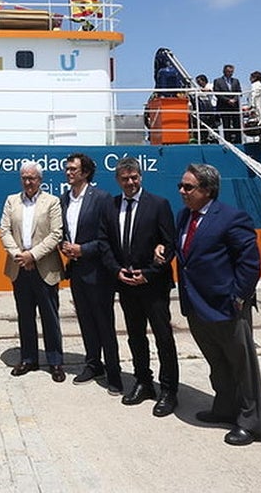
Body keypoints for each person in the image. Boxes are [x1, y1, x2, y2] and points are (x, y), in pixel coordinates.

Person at [173, 163, 261, 446]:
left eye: (188, 187)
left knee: (242, 367)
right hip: (196, 304)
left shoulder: (231, 218)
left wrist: (238, 297)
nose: (182, 191)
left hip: (226, 306)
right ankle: (225, 407)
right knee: (217, 363)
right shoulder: (184, 217)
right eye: (182, 185)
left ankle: (251, 423)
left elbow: (250, 264)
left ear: (208, 190)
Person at [103, 158, 179, 416]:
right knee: (135, 336)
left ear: (141, 177)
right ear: (118, 180)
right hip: (126, 285)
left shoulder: (159, 205)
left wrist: (148, 273)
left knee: (163, 338)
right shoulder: (111, 206)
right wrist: (116, 271)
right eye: (125, 178)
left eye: (134, 177)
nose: (130, 182)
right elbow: (105, 243)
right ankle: (143, 382)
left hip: (153, 285)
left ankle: (169, 390)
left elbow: (170, 245)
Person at [58, 152, 121, 394]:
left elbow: (109, 239)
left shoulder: (102, 199)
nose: (68, 172)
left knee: (104, 323)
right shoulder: (64, 199)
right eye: (67, 167)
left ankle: (114, 375)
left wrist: (83, 249)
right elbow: (64, 231)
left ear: (85, 173)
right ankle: (93, 364)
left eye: (73, 168)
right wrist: (65, 246)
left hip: (98, 272)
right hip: (76, 271)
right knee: (85, 321)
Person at [0, 161, 65, 383]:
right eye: (25, 178)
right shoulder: (11, 201)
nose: (28, 182)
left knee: (50, 317)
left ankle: (55, 361)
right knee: (25, 316)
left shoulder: (52, 202)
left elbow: (56, 234)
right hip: (19, 267)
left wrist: (32, 255)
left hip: (44, 267)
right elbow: (4, 231)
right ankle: (29, 359)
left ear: (40, 179)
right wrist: (20, 255)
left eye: (32, 178)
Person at [212, 64, 243, 143]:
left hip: (235, 106)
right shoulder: (217, 81)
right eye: (229, 71)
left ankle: (238, 140)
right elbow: (217, 93)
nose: (230, 73)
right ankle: (228, 142)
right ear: (224, 71)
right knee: (226, 124)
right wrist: (228, 100)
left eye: (232, 72)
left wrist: (234, 100)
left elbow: (239, 92)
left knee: (237, 124)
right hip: (224, 106)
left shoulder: (236, 81)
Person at [192, 74, 218, 141]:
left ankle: (215, 138)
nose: (198, 83)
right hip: (205, 109)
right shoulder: (199, 90)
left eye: (199, 81)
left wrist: (198, 90)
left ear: (204, 80)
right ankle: (205, 138)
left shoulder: (211, 85)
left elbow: (208, 90)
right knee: (204, 124)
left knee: (213, 125)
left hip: (213, 108)